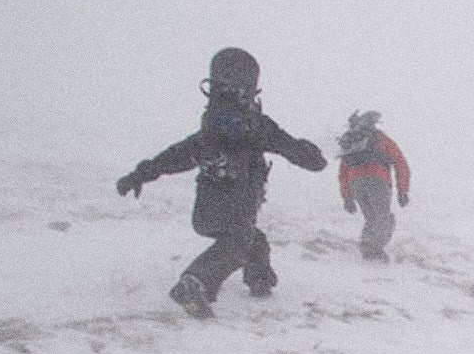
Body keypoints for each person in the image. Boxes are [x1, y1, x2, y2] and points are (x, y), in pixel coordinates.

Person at [115, 48, 327, 319]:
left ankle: (260, 280)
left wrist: (138, 175)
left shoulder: (210, 131)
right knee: (241, 240)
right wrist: (313, 156)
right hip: (236, 208)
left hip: (206, 213)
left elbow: (174, 156)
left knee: (253, 239)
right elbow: (297, 152)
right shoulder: (257, 127)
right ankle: (194, 283)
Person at [336, 110, 410, 262]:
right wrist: (403, 191)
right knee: (384, 218)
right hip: (378, 180)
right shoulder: (382, 139)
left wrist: (347, 197)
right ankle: (374, 251)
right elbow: (401, 164)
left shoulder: (352, 143)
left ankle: (367, 248)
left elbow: (343, 173)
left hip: (356, 183)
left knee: (371, 218)